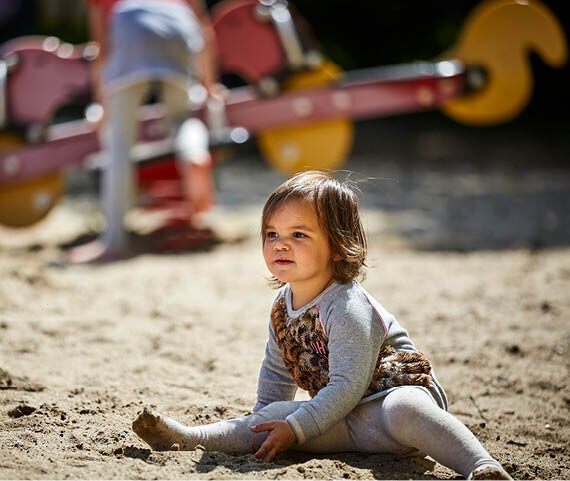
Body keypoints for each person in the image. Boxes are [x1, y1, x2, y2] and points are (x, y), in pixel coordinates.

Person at [131, 171, 512, 480]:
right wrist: (269, 416)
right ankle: (187, 438)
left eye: (298, 235)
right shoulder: (283, 307)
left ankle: (480, 466)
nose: (281, 245)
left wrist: (297, 427)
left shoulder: (346, 306)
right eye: (271, 235)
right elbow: (276, 369)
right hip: (344, 423)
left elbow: (348, 384)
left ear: (337, 246)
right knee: (269, 421)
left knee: (406, 408)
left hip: (386, 406)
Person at [69, 0, 221, 263]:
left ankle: (114, 242)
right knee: (181, 118)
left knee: (119, 141)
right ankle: (194, 153)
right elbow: (204, 31)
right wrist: (209, 85)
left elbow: (101, 48)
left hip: (130, 25)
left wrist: (101, 104)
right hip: (177, 24)